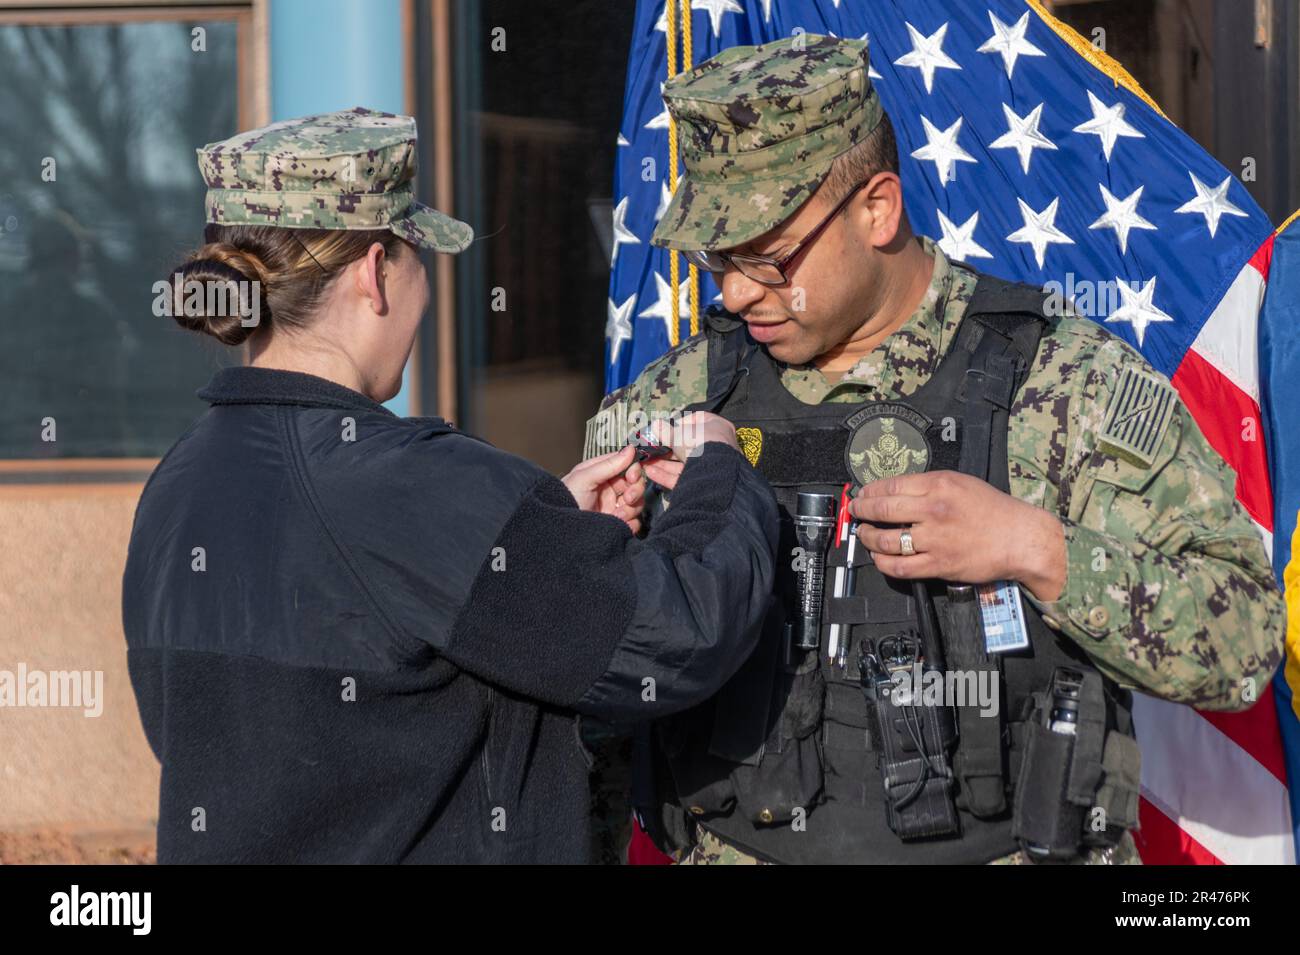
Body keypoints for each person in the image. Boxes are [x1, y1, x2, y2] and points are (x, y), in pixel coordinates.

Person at [585, 37, 1286, 865]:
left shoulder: (1061, 384)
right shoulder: (670, 406)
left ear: (877, 209)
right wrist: (577, 567)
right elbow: (587, 726)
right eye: (715, 261)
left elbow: (1244, 641)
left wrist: (1036, 548)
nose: (736, 293)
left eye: (768, 260)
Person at [121, 107, 779, 864]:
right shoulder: (419, 483)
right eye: (415, 256)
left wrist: (541, 526)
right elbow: (677, 634)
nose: (423, 285)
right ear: (375, 273)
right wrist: (719, 474)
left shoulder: (176, 484)